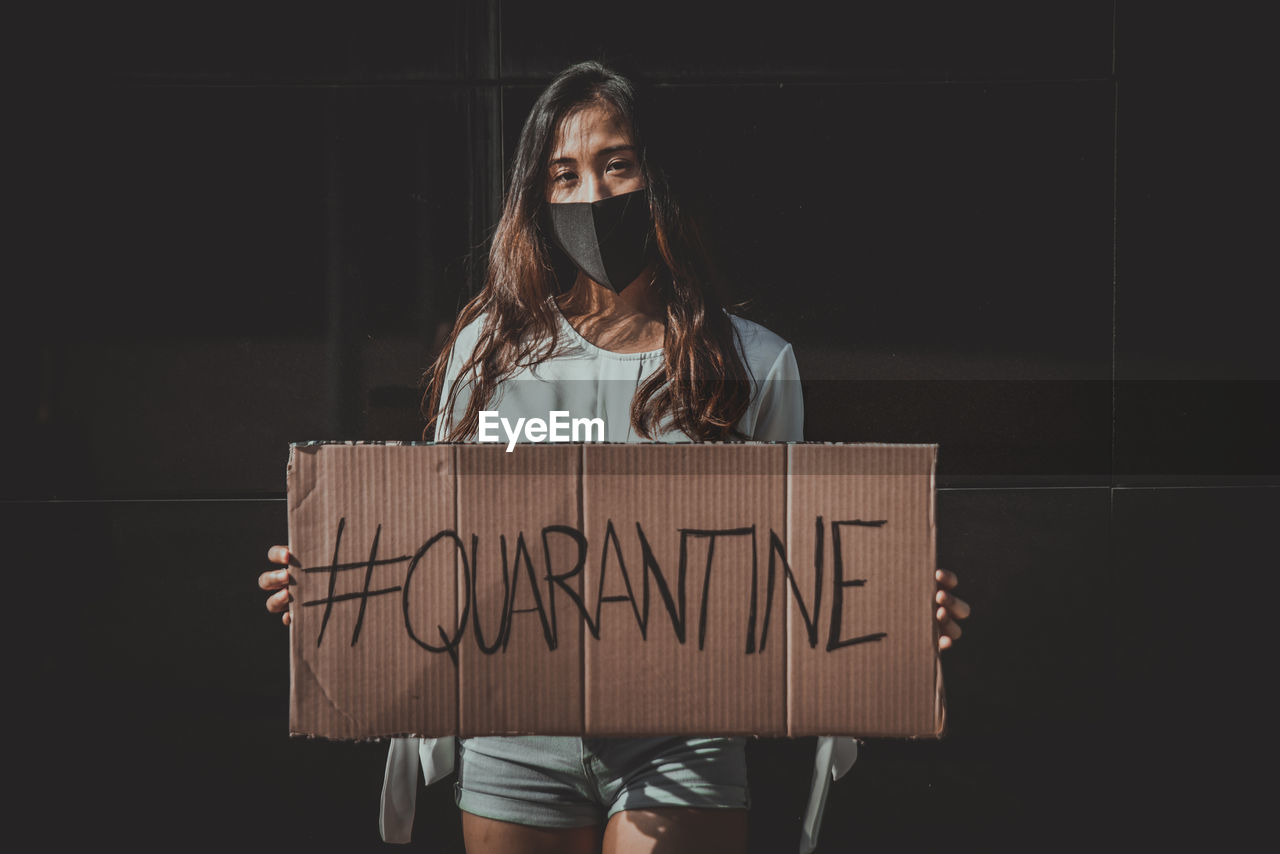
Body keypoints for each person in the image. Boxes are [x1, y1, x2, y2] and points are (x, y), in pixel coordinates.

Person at [259, 61, 969, 854]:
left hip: (685, 732)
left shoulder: (750, 363)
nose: (593, 196)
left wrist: (887, 607)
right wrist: (338, 586)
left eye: (616, 164)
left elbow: (797, 558)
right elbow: (433, 537)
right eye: (565, 174)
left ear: (656, 176)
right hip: (515, 725)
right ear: (539, 198)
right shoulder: (488, 357)